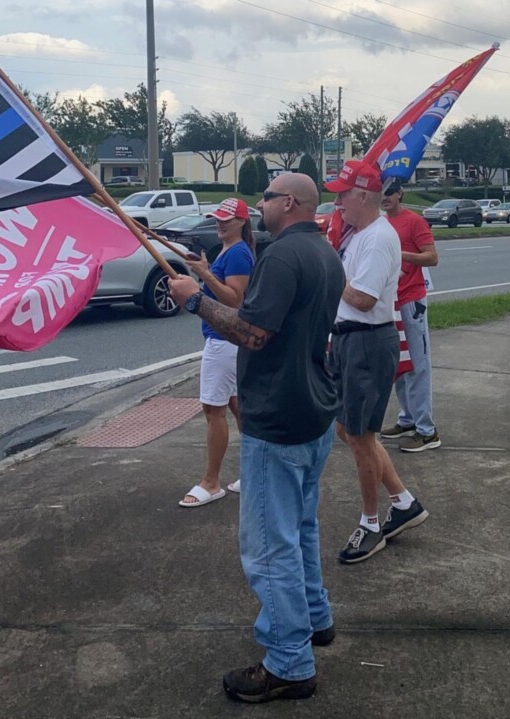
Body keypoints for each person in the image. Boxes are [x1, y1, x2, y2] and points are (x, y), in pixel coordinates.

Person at [169, 173, 345, 703]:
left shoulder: (282, 256)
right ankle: (315, 617)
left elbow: (253, 333)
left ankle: (289, 662)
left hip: (280, 416)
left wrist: (194, 299)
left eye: (266, 197)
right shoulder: (324, 252)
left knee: (269, 548)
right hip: (312, 410)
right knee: (301, 528)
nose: (260, 205)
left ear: (287, 203)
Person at [325, 161, 429, 565]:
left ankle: (371, 526)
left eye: (343, 194)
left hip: (367, 343)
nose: (337, 202)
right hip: (351, 341)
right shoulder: (361, 233)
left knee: (361, 437)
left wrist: (330, 273)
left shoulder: (378, 238)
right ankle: (403, 502)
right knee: (350, 431)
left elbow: (364, 299)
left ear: (364, 196)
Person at [179, 198, 255, 507]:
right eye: (217, 218)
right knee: (239, 409)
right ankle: (253, 473)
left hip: (223, 340)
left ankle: (211, 482)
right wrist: (206, 270)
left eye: (226, 218)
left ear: (241, 221)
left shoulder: (238, 253)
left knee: (214, 410)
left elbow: (235, 300)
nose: (219, 222)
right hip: (224, 341)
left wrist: (203, 277)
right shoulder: (229, 250)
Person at [380, 181, 441, 452]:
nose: (385, 199)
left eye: (390, 193)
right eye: (381, 194)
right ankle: (407, 418)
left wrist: (401, 254)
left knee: (418, 364)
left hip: (411, 300)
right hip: (390, 300)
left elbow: (432, 257)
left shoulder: (414, 222)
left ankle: (427, 431)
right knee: (400, 364)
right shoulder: (381, 224)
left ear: (399, 193)